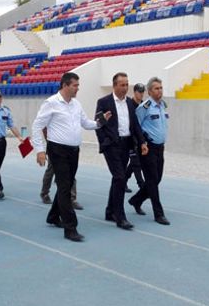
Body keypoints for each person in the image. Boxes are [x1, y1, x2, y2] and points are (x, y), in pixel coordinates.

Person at [32, 72, 110, 242]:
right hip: (57, 150)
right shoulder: (51, 103)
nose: (77, 89)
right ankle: (70, 228)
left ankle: (53, 216)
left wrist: (100, 122)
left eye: (78, 85)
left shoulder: (76, 104)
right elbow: (37, 125)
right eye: (75, 85)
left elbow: (86, 123)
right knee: (65, 187)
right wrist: (39, 150)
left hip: (74, 151)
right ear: (65, 85)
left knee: (64, 187)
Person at [95, 73, 147, 230]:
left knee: (118, 178)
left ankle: (110, 211)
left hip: (127, 144)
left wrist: (142, 142)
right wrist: (104, 142)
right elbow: (99, 124)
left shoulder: (131, 104)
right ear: (114, 85)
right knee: (120, 177)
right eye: (122, 85)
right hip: (112, 145)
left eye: (127, 85)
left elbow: (135, 125)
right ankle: (120, 215)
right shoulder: (104, 102)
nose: (125, 88)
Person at [128, 77, 170, 225]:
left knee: (157, 179)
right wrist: (141, 143)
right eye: (156, 88)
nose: (160, 91)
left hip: (160, 148)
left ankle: (136, 200)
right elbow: (135, 127)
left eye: (161, 88)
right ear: (150, 91)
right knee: (152, 181)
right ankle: (158, 213)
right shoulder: (144, 107)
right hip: (147, 148)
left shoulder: (162, 106)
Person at [125, 83, 146, 193]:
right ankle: (141, 185)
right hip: (130, 138)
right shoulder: (129, 104)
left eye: (142, 92)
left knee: (134, 163)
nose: (141, 94)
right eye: (139, 92)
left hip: (141, 138)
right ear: (135, 92)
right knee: (136, 162)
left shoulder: (143, 106)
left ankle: (123, 181)